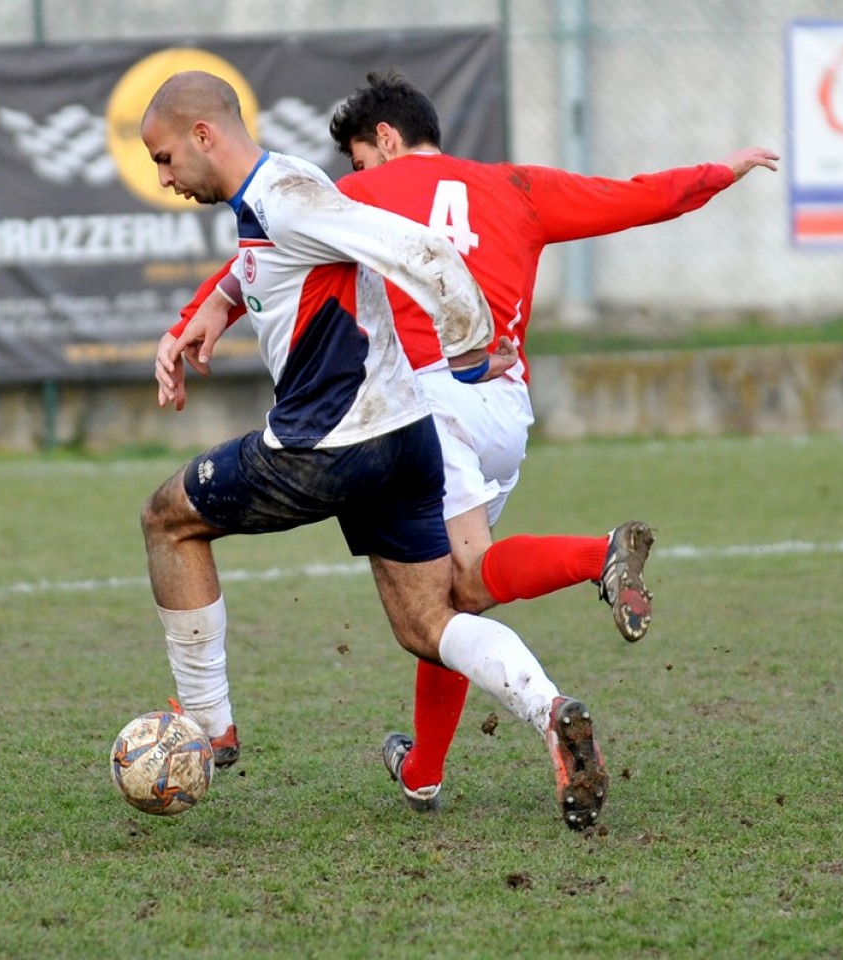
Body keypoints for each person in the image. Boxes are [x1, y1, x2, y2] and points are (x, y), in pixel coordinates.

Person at [165, 69, 780, 814]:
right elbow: (635, 197)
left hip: (419, 403)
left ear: (384, 141)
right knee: (453, 601)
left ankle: (597, 559)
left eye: (358, 159)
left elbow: (267, 247)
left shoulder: (359, 193)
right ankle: (424, 771)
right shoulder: (517, 184)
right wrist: (721, 172)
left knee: (458, 587)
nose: (354, 175)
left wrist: (198, 315)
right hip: (504, 408)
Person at [139, 70, 609, 831]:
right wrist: (212, 311)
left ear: (204, 135)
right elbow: (267, 263)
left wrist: (467, 347)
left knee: (169, 519)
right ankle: (550, 709)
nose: (164, 178)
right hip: (406, 443)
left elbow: (422, 250)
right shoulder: (277, 193)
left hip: (327, 446)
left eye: (164, 158)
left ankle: (207, 729)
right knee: (429, 623)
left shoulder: (285, 197)